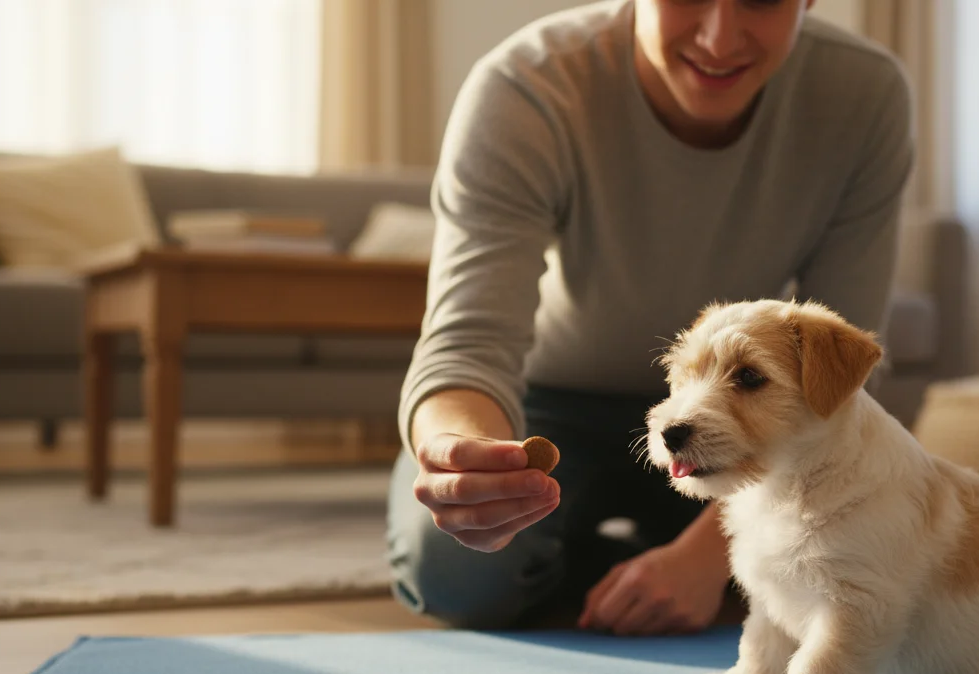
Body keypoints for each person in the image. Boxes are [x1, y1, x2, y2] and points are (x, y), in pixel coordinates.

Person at [386, 0, 914, 635]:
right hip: (549, 404)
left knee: (861, 532)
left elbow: (839, 380)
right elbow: (465, 344)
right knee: (455, 566)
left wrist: (701, 559)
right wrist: (466, 459)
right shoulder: (526, 86)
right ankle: (638, 565)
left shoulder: (865, 94)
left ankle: (621, 564)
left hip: (749, 413)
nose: (719, 40)